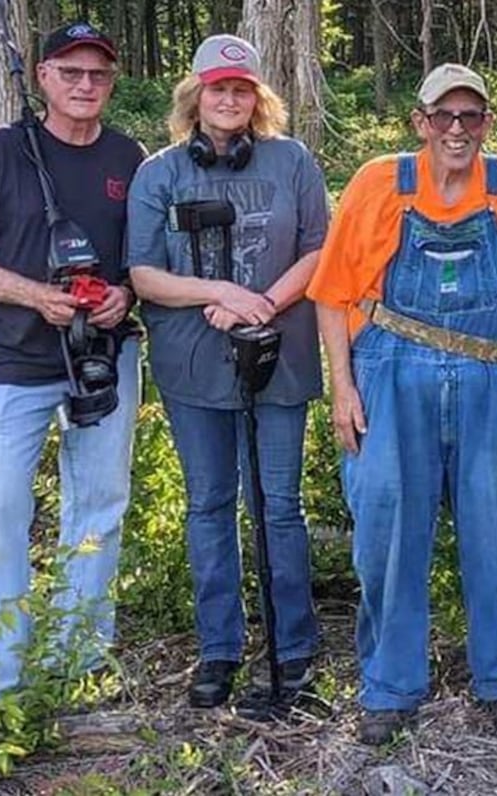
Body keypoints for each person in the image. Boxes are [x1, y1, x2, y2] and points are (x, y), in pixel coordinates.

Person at [306, 63, 497, 746]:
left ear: (487, 123)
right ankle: (390, 686)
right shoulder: (376, 183)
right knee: (387, 532)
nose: (458, 130)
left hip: (493, 381)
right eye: (444, 117)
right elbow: (333, 293)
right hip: (390, 380)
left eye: (472, 117)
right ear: (419, 122)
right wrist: (342, 385)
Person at [0, 21, 143, 704]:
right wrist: (33, 296)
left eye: (99, 75)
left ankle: (78, 660)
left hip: (102, 359)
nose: (86, 86)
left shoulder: (128, 157)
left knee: (100, 505)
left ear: (111, 82)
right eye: (71, 73)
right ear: (43, 77)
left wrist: (124, 294)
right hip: (12, 361)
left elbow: (145, 259)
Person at [125, 35, 329, 709]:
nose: (230, 99)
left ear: (257, 97)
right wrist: (217, 294)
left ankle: (292, 646)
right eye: (218, 89)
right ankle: (219, 648)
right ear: (196, 97)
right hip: (193, 368)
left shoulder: (292, 160)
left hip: (279, 359)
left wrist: (263, 302)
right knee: (209, 505)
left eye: (241, 89)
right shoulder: (159, 173)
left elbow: (319, 250)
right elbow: (145, 274)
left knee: (278, 506)